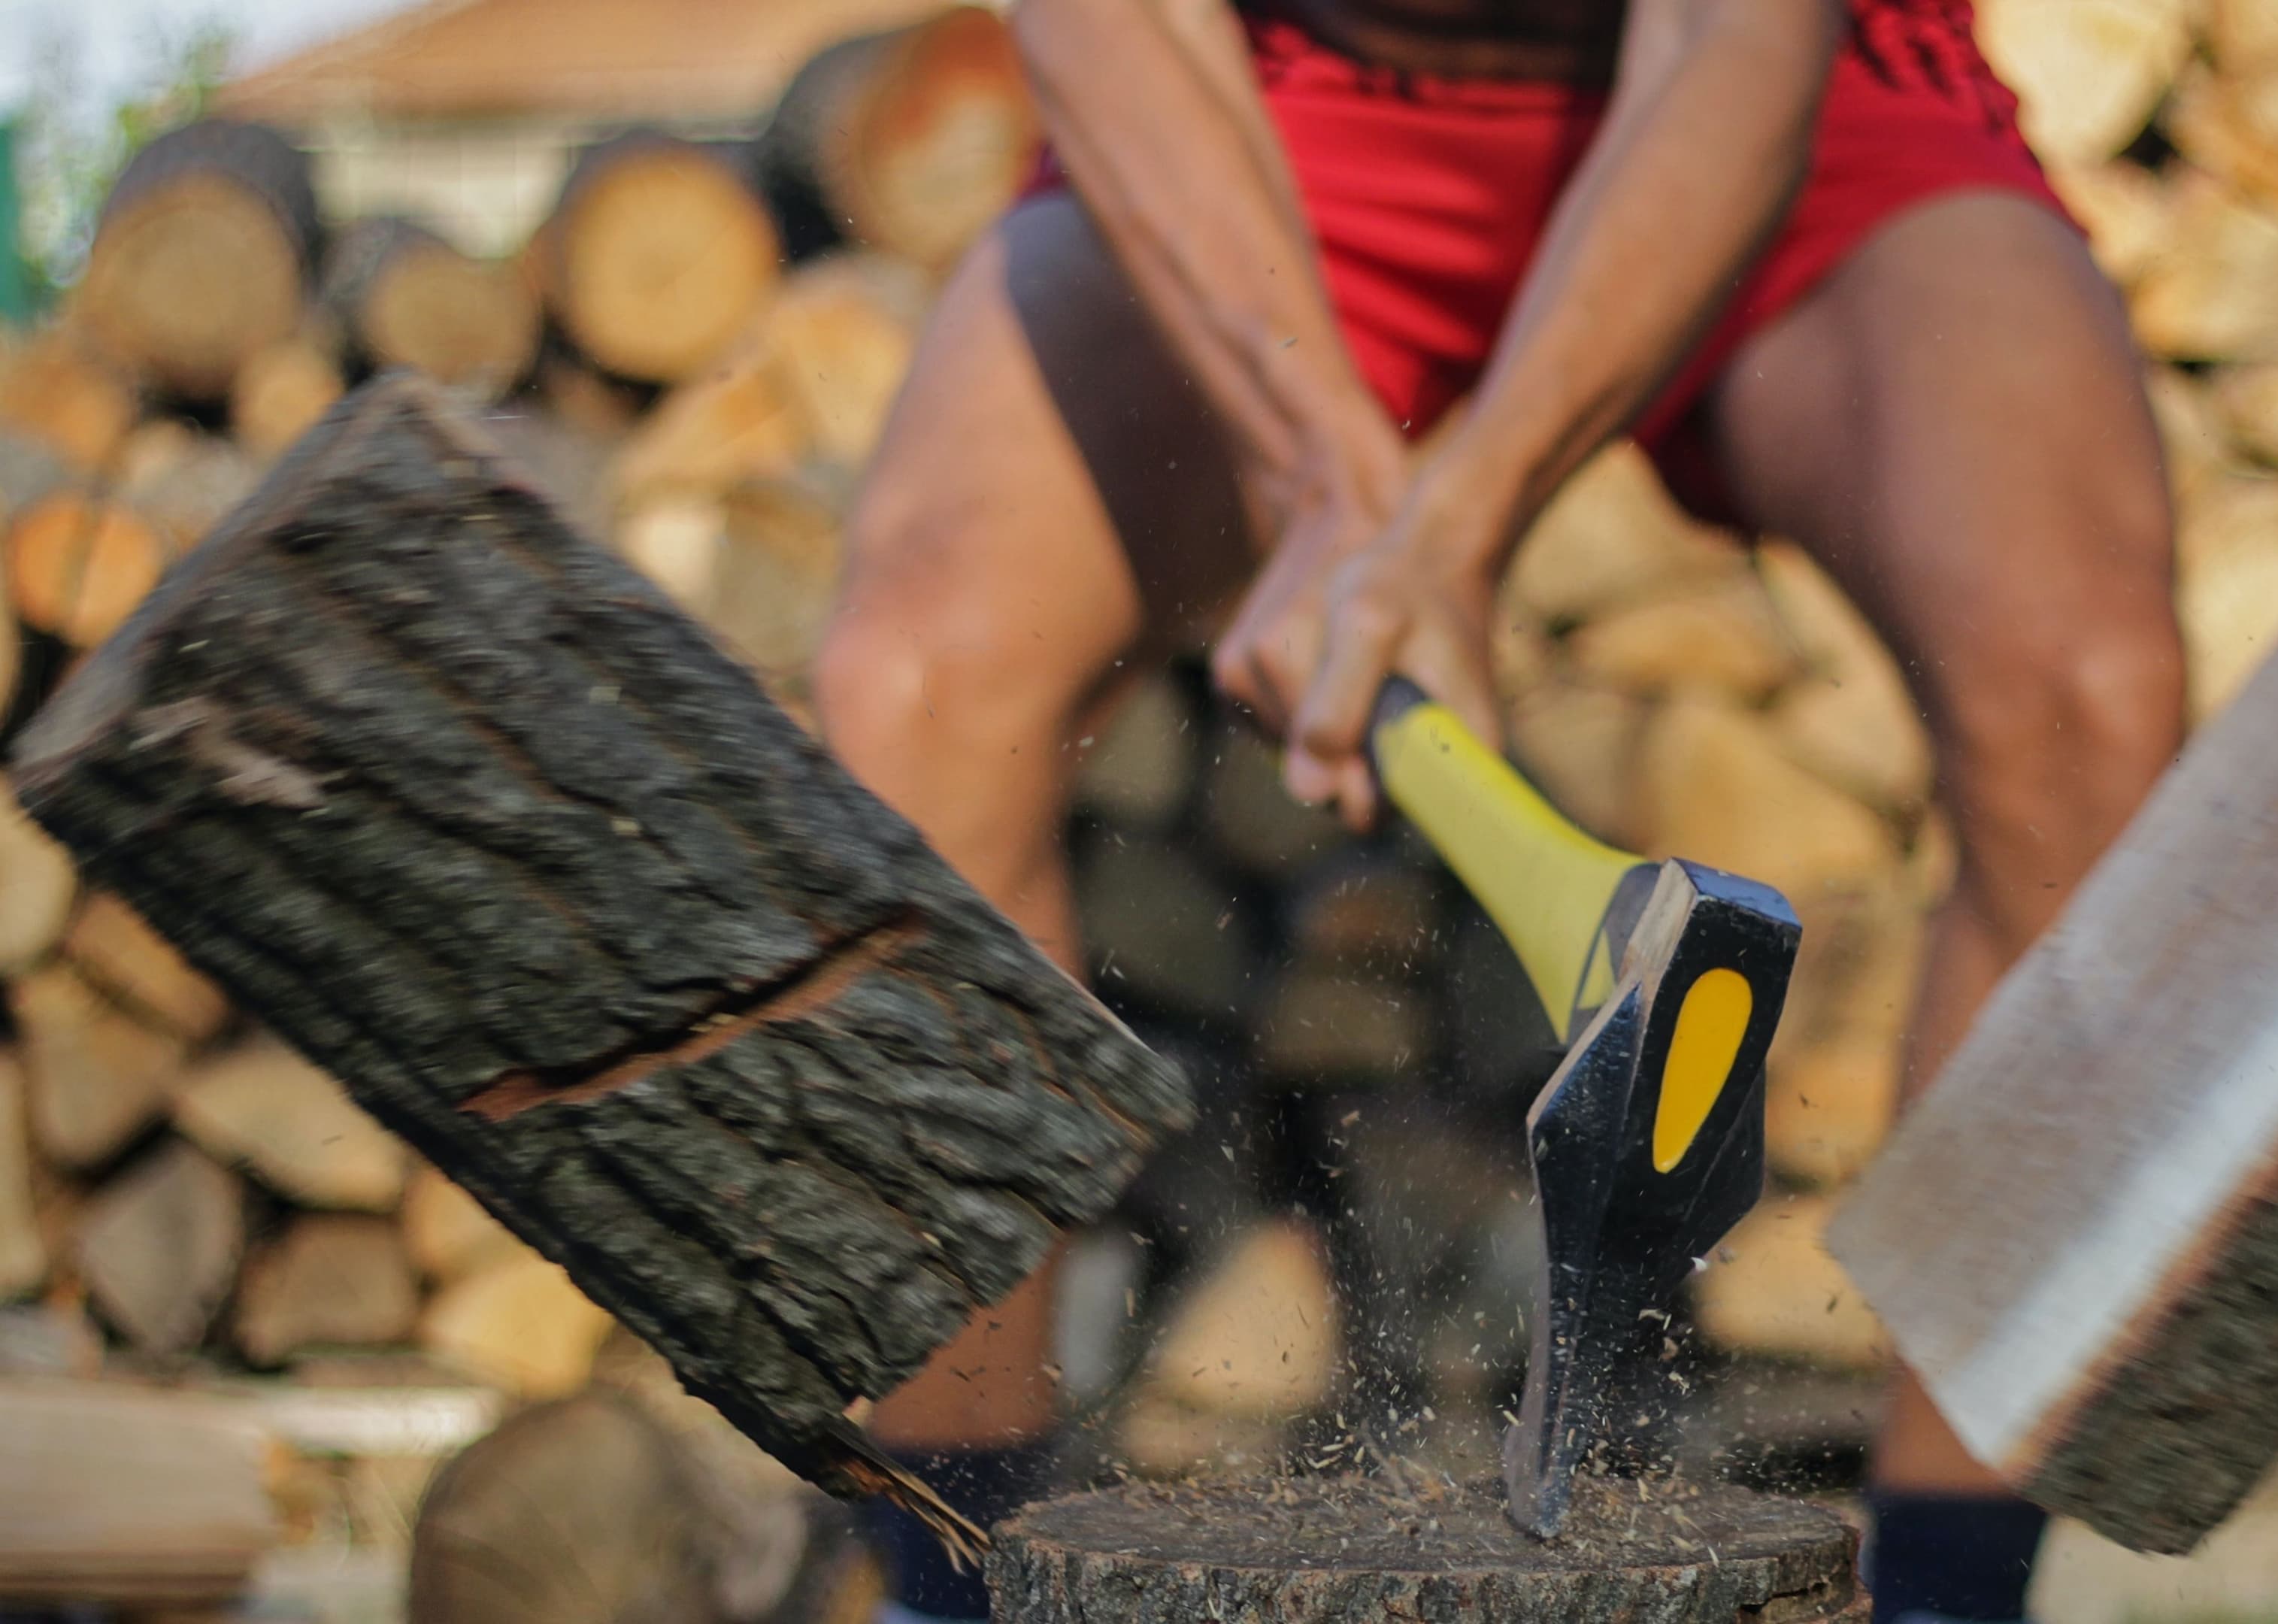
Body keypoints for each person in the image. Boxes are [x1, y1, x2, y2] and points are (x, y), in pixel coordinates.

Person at [814, 2, 2187, 1619]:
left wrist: (1448, 536)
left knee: (2084, 696)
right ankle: (943, 1581)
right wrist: (1334, 478)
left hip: (1791, 94)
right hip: (1282, 103)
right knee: (919, 682)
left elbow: (1739, 43)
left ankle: (1951, 1593)